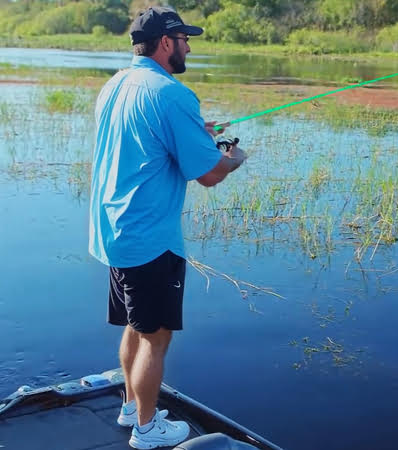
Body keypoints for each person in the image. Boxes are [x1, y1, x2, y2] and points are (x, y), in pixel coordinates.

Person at [88, 6, 246, 449]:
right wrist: (234, 158)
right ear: (164, 43)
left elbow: (152, 136)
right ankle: (146, 427)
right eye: (184, 40)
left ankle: (128, 405)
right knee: (156, 337)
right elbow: (211, 173)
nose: (189, 47)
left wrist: (198, 132)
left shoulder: (115, 84)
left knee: (135, 327)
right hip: (150, 237)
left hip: (116, 232)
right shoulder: (172, 93)